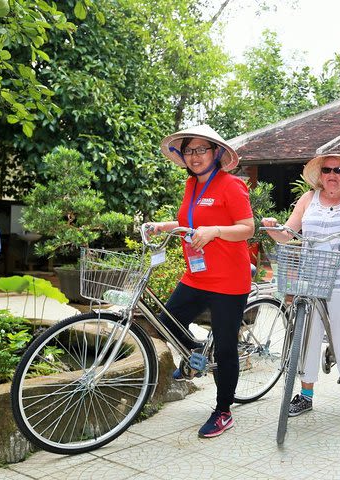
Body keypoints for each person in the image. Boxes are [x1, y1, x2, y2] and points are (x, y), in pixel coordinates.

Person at [147, 124, 255, 438]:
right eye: (189, 150)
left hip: (228, 280)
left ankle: (223, 411)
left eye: (201, 150)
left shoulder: (231, 185)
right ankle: (196, 352)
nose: (194, 156)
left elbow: (247, 227)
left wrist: (217, 231)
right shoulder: (191, 186)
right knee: (167, 321)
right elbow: (190, 222)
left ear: (216, 153)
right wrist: (163, 225)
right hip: (196, 274)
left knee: (224, 348)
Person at [262, 153, 340, 422]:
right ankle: (306, 396)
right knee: (307, 337)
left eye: (339, 170)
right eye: (327, 169)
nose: (333, 175)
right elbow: (288, 233)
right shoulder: (308, 199)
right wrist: (272, 228)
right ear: (320, 174)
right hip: (311, 279)